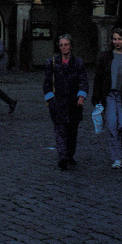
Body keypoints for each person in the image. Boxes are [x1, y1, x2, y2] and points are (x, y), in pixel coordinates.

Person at [91, 27, 122, 169]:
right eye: (114, 39)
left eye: (119, 39)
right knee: (112, 127)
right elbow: (99, 78)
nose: (117, 42)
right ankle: (117, 157)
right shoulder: (105, 57)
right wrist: (96, 98)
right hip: (110, 96)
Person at [43, 34, 88, 170]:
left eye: (66, 44)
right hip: (58, 101)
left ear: (71, 46)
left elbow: (83, 81)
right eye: (61, 45)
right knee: (60, 129)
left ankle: (69, 154)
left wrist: (81, 96)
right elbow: (46, 83)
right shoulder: (52, 63)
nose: (64, 47)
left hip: (74, 103)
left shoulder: (78, 63)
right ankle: (62, 156)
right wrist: (51, 99)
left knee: (72, 131)